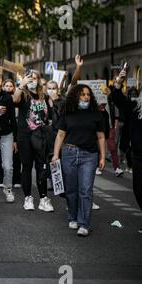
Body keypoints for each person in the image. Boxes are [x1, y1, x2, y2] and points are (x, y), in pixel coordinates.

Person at [52, 84, 106, 237]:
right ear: (76, 96)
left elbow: (101, 137)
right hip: (69, 153)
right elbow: (60, 135)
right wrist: (56, 155)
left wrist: (102, 156)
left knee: (86, 190)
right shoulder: (67, 113)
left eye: (88, 95)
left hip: (89, 156)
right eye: (82, 94)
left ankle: (84, 224)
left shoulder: (96, 114)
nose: (86, 97)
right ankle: (73, 216)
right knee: (71, 189)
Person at [13, 69, 54, 212]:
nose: (32, 80)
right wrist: (21, 84)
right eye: (30, 78)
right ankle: (28, 198)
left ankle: (43, 198)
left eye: (35, 78)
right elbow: (14, 100)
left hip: (41, 136)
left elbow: (49, 116)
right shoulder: (23, 94)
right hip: (25, 136)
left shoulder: (44, 96)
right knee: (27, 166)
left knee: (41, 166)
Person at [112, 69, 142, 234]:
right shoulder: (136, 107)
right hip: (138, 155)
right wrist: (118, 83)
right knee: (138, 189)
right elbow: (117, 98)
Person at [0, 79, 18, 204]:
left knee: (7, 165)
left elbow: (12, 118)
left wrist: (15, 140)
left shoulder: (7, 97)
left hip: (6, 134)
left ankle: (8, 188)